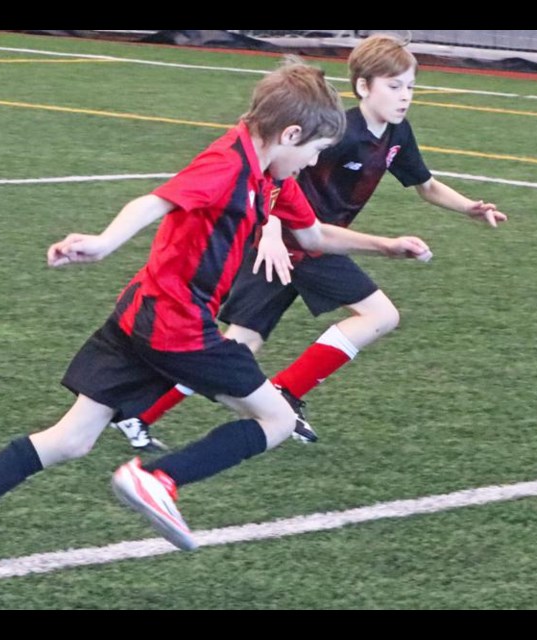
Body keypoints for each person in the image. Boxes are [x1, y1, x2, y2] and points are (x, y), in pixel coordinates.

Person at [0, 58, 434, 590]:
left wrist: (386, 246)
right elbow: (154, 201)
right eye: (313, 151)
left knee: (71, 439)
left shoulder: (269, 175)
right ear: (290, 133)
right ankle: (157, 479)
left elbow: (313, 236)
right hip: (177, 322)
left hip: (141, 315)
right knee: (275, 421)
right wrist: (103, 242)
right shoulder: (228, 162)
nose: (313, 161)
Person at [112, 33, 508, 451]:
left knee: (239, 343)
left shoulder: (397, 133)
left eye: (410, 87)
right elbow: (277, 178)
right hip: (303, 242)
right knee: (380, 314)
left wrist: (469, 208)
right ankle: (286, 391)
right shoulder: (339, 132)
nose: (405, 96)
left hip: (303, 244)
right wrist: (267, 234)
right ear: (362, 87)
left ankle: (141, 414)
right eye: (394, 86)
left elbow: (425, 185)